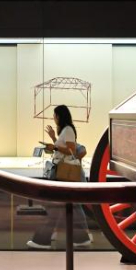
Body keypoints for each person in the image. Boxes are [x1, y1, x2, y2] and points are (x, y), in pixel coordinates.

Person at [27, 105, 91, 249]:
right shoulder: (65, 131)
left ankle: (42, 239)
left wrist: (54, 146)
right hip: (61, 171)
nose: (54, 118)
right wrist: (53, 140)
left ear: (60, 116)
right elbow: (66, 149)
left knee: (55, 206)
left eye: (55, 115)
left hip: (63, 172)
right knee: (67, 206)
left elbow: (71, 150)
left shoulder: (68, 130)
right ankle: (81, 238)